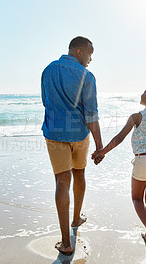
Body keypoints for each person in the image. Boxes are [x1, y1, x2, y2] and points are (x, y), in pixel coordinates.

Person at [92, 84, 146, 251]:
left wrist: (102, 152)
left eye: (144, 92)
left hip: (143, 160)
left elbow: (119, 138)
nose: (141, 93)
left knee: (137, 198)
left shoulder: (136, 117)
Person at [41, 36, 103, 255]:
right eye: (89, 54)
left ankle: (66, 243)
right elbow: (91, 113)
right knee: (79, 173)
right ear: (79, 52)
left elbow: (46, 101)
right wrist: (99, 145)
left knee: (62, 182)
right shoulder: (87, 76)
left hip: (55, 133)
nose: (90, 59)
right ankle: (76, 218)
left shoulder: (48, 70)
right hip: (79, 134)